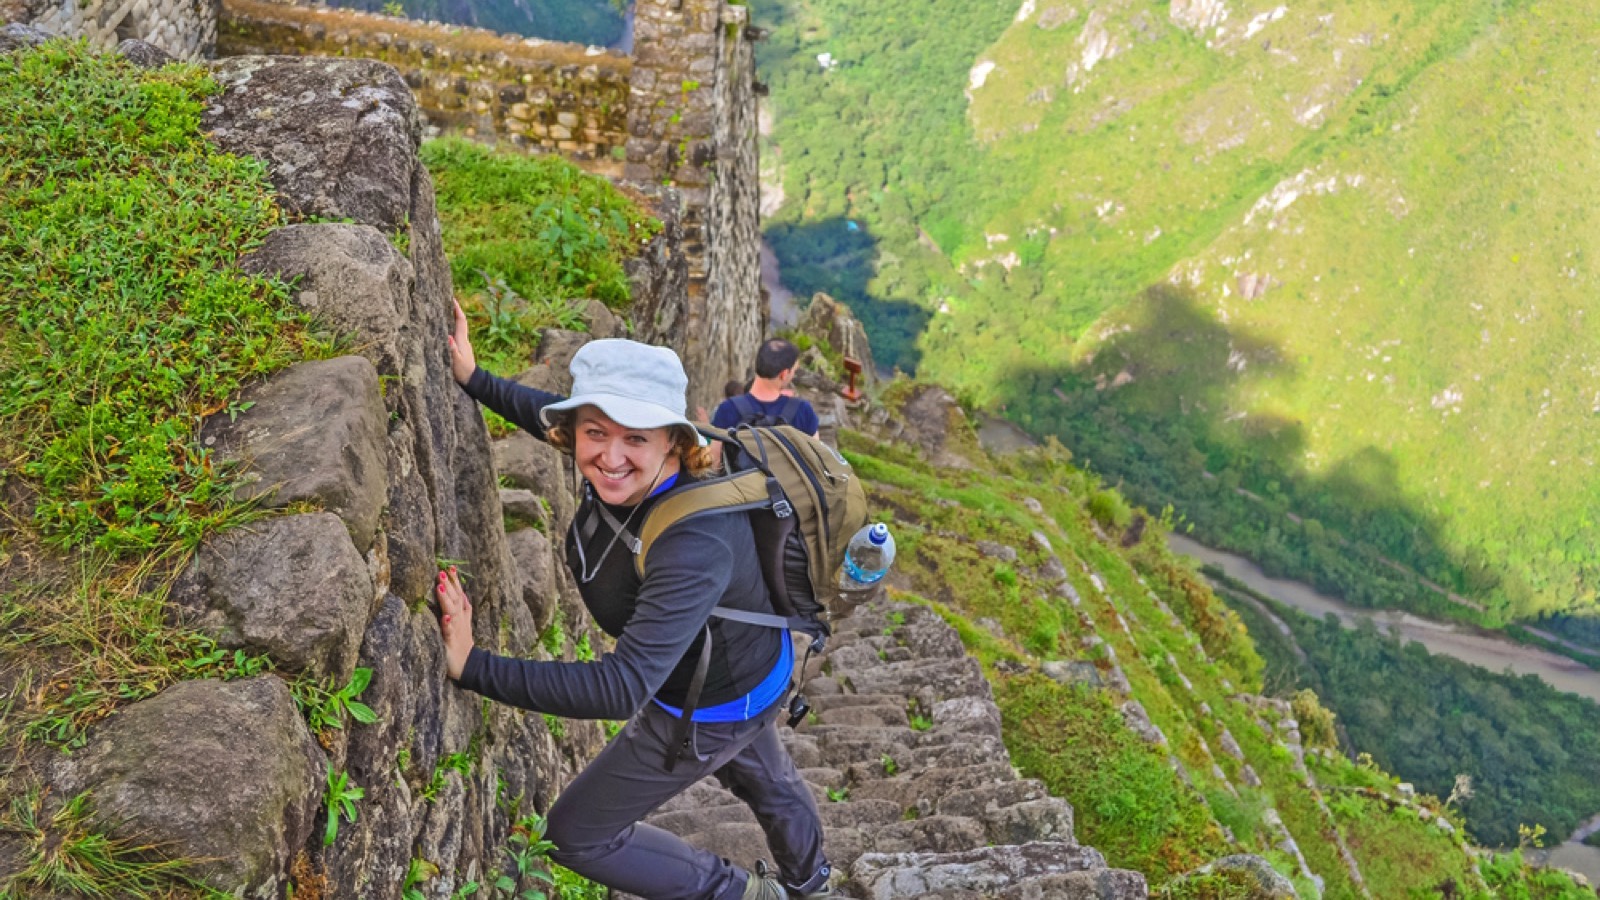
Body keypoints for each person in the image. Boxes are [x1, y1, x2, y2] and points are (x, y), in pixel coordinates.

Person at [436, 302, 832, 900]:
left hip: (705, 703)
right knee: (768, 778)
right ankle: (813, 880)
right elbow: (542, 416)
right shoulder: (614, 459)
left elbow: (622, 689)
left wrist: (474, 667)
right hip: (754, 667)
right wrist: (473, 378)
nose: (610, 457)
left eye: (635, 439)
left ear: (674, 443)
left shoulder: (694, 542)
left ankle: (746, 894)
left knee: (575, 836)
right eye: (595, 433)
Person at [712, 339, 819, 436]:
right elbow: (816, 455)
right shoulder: (802, 410)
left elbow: (715, 456)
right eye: (794, 371)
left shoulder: (727, 409)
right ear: (784, 374)